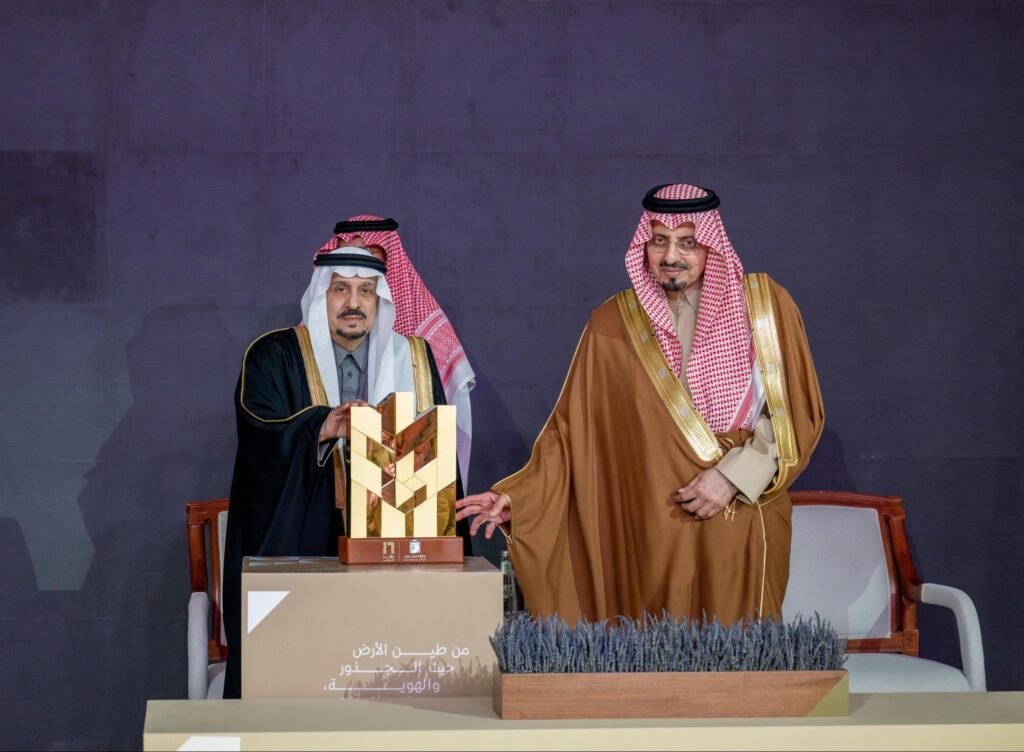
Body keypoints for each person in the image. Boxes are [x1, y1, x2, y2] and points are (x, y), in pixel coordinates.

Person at [456, 183, 824, 627]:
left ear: (711, 246)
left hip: (738, 512)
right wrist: (520, 497)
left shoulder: (764, 306)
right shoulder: (613, 322)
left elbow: (794, 413)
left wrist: (732, 477)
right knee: (648, 647)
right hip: (646, 522)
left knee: (737, 652)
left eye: (688, 242)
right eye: (659, 240)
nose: (671, 255)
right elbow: (572, 435)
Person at [222, 247, 461, 699]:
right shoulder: (273, 355)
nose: (354, 303)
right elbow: (259, 435)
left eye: (366, 291)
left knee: (393, 676)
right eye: (341, 290)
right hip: (304, 541)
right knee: (298, 683)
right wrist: (322, 427)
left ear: (379, 299)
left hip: (391, 553)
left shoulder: (413, 358)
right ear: (322, 296)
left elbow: (438, 457)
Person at [317, 215, 476, 489]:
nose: (358, 264)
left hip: (396, 491)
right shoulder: (300, 346)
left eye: (370, 255)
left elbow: (447, 414)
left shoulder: (420, 346)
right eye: (348, 254)